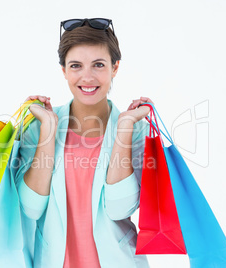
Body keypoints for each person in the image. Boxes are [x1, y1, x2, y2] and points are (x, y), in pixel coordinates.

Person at [15, 18, 153, 268]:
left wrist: (123, 129)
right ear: (64, 71)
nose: (87, 77)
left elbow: (119, 208)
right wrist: (48, 130)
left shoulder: (136, 130)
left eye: (98, 65)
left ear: (115, 68)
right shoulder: (38, 126)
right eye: (76, 66)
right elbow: (31, 208)